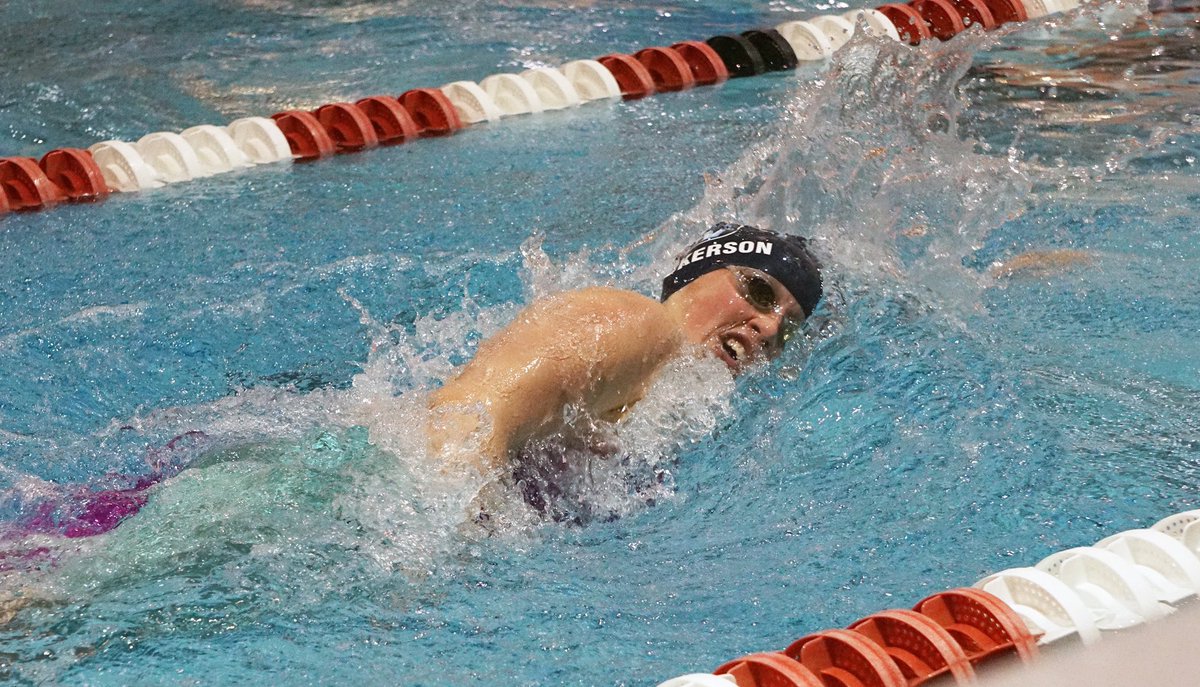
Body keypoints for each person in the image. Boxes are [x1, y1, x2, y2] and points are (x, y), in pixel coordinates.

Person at [427, 222, 823, 471]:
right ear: (692, 276)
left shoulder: (663, 396)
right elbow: (471, 415)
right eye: (757, 290)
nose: (770, 327)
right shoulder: (642, 324)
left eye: (787, 331)